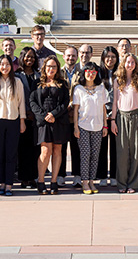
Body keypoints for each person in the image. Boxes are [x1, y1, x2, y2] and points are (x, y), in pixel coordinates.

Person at [0, 55, 26, 196]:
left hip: (13, 121)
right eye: (2, 64)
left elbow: (22, 103)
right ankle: (2, 183)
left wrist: (22, 121)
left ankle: (9, 185)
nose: (4, 67)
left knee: (11, 154)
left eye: (7, 64)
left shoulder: (18, 82)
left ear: (11, 66)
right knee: (0, 154)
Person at [30, 56, 70, 194]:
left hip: (59, 121)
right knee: (45, 151)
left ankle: (54, 182)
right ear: (44, 68)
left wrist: (54, 114)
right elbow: (32, 101)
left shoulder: (63, 84)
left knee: (57, 151)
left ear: (57, 68)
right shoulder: (37, 83)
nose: (51, 69)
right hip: (43, 122)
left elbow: (65, 103)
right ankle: (41, 181)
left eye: (53, 66)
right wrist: (44, 116)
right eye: (48, 66)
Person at [111, 53, 138, 193]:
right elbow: (114, 103)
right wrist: (113, 121)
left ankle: (133, 183)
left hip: (136, 117)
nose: (130, 64)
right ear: (123, 64)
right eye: (128, 62)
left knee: (136, 152)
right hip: (121, 117)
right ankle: (122, 183)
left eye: (132, 62)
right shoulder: (117, 81)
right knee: (122, 153)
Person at [71, 62, 107, 194]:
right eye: (88, 71)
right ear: (84, 73)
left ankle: (92, 181)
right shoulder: (79, 89)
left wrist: (105, 125)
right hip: (83, 126)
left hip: (98, 126)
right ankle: (84, 182)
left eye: (93, 72)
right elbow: (76, 109)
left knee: (95, 155)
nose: (90, 74)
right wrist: (75, 127)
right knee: (85, 154)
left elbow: (103, 108)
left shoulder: (101, 88)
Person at [16, 47, 40, 188]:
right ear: (22, 58)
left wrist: (36, 112)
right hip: (22, 116)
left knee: (35, 148)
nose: (29, 59)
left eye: (32, 57)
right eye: (27, 57)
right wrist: (25, 113)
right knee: (23, 149)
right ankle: (24, 178)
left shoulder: (39, 75)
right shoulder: (17, 75)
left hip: (37, 117)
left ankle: (33, 177)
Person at [97, 46, 119, 187]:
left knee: (116, 146)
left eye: (113, 57)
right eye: (107, 57)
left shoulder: (120, 73)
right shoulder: (98, 73)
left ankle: (115, 175)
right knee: (102, 146)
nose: (110, 60)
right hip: (102, 113)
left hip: (117, 114)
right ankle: (102, 175)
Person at [59, 45, 81, 187]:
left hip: (77, 116)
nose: (70, 58)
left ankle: (77, 176)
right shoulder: (58, 72)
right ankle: (60, 175)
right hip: (61, 116)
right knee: (60, 147)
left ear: (77, 57)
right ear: (63, 56)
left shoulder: (82, 72)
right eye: (68, 55)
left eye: (73, 56)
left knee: (76, 147)